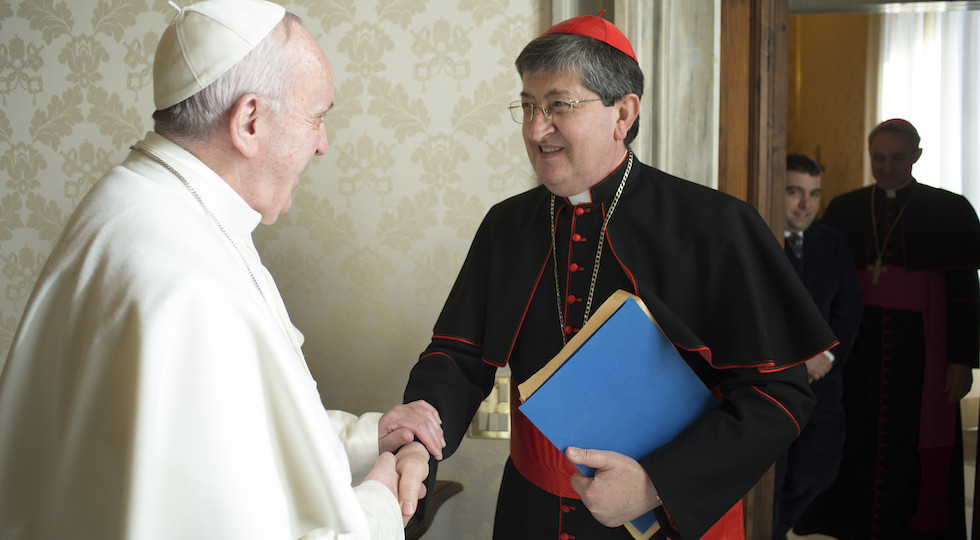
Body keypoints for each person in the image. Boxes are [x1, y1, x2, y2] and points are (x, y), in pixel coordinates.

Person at [0, 1, 445, 538]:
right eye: (317, 117)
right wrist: (376, 500)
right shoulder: (189, 287)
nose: (323, 144)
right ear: (250, 121)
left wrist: (364, 437)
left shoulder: (142, 201)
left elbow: (229, 435)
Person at [403, 14, 837, 540]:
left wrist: (658, 483)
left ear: (623, 112)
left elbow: (779, 396)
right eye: (528, 106)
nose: (536, 128)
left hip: (668, 521)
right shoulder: (507, 225)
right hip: (530, 515)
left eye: (559, 105)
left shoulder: (717, 226)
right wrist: (417, 436)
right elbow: (459, 356)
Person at [794, 119, 980, 539]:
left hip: (923, 350)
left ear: (916, 155)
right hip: (859, 346)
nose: (887, 166)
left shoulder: (950, 211)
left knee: (909, 442)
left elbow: (965, 292)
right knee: (856, 435)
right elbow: (828, 287)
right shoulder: (845, 208)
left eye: (897, 157)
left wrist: (962, 360)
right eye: (879, 157)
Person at [770, 154, 862, 539]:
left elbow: (848, 307)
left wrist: (825, 356)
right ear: (778, 190)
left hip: (823, 383)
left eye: (814, 194)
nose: (806, 204)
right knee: (770, 477)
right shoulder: (762, 237)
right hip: (771, 384)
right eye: (795, 192)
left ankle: (779, 525)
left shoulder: (832, 242)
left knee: (818, 470)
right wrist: (795, 363)